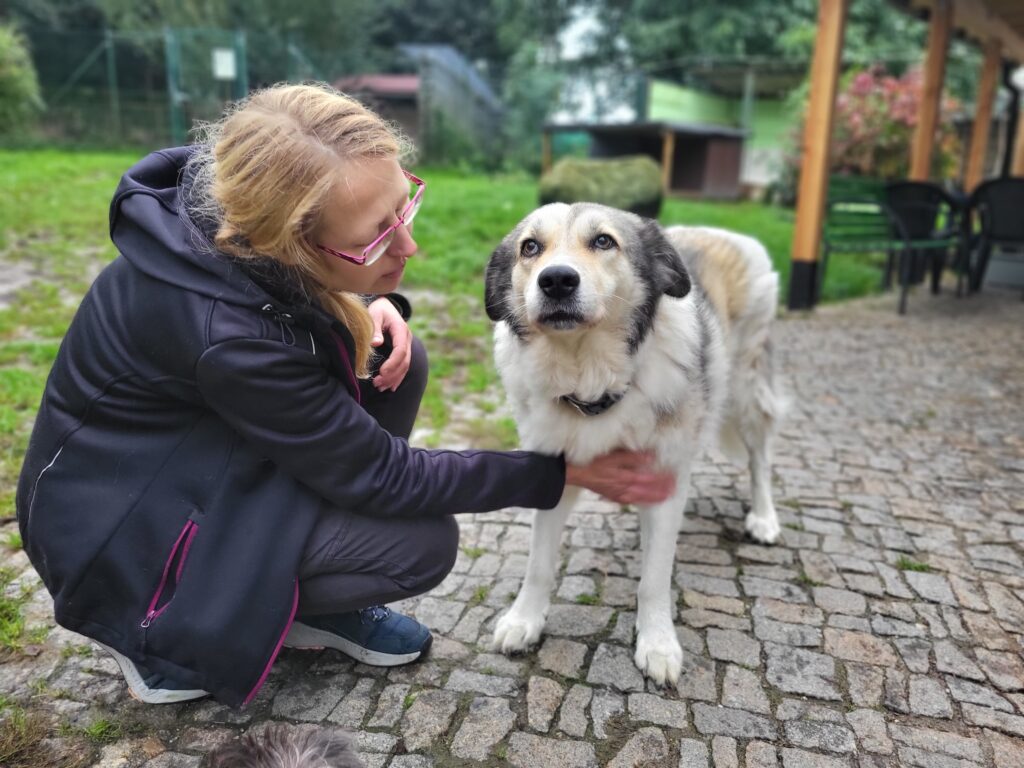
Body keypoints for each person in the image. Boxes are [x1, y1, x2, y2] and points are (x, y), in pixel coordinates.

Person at [15, 83, 675, 708]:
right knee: (418, 544)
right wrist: (561, 473)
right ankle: (162, 636)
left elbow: (282, 296)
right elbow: (385, 477)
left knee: (395, 360)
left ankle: (302, 601)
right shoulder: (227, 339)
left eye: (401, 209)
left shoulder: (237, 202)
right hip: (124, 542)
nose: (410, 245)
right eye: (376, 239)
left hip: (189, 462)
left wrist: (366, 296)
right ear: (289, 243)